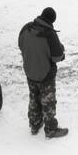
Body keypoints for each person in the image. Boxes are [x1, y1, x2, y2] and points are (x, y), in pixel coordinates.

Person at [18, 8, 67, 139]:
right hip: (45, 74)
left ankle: (34, 125)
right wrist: (61, 51)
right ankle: (51, 129)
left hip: (30, 71)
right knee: (48, 102)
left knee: (34, 97)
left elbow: (21, 45)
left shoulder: (26, 28)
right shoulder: (49, 34)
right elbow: (57, 56)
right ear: (52, 20)